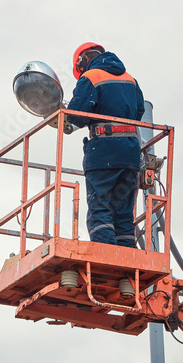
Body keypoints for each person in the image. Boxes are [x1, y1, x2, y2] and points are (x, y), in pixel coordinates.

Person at [66, 42, 145, 248]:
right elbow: (139, 111)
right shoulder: (131, 80)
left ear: (83, 60)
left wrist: (63, 114)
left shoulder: (91, 77)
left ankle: (107, 261)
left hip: (103, 153)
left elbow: (77, 116)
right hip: (130, 154)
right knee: (123, 216)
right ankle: (127, 268)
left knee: (100, 210)